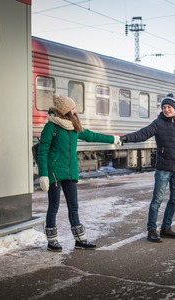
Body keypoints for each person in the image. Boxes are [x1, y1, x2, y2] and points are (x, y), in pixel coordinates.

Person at [38, 93, 121, 252]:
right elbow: (43, 151)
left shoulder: (74, 126)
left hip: (70, 171)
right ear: (65, 110)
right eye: (73, 108)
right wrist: (43, 175)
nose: (76, 110)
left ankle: (80, 240)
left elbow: (92, 136)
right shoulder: (51, 126)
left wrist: (113, 139)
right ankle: (52, 241)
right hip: (54, 172)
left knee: (73, 206)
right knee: (53, 206)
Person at [120, 94, 175, 243]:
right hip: (163, 169)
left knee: (174, 200)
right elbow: (143, 134)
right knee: (157, 200)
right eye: (164, 107)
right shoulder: (158, 123)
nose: (166, 110)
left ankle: (166, 228)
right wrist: (126, 137)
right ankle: (151, 230)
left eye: (169, 107)